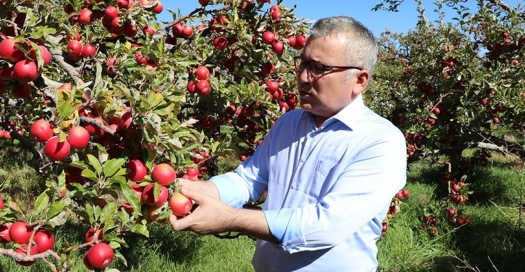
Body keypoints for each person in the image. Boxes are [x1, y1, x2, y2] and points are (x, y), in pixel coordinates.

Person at [170, 16, 407, 271]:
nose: (303, 77)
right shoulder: (290, 122)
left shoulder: (380, 141)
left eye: (318, 68)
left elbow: (324, 226)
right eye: (303, 63)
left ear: (359, 80)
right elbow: (248, 180)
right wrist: (198, 190)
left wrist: (230, 219)